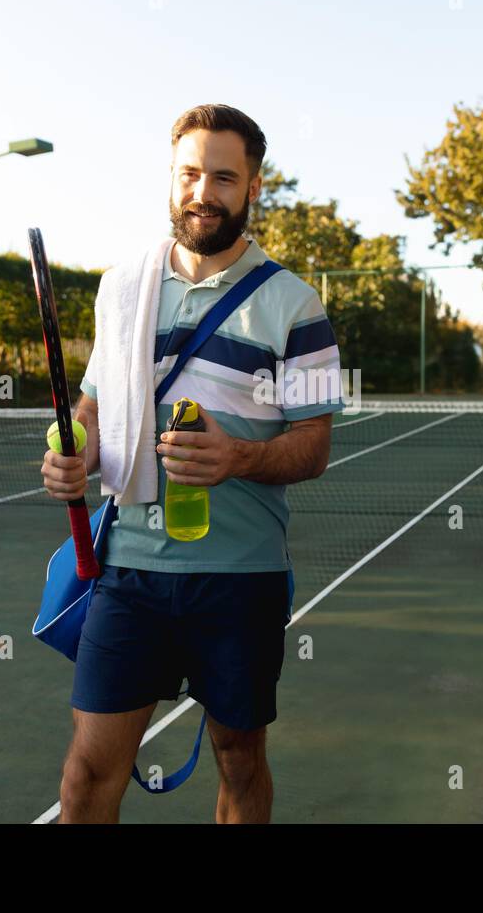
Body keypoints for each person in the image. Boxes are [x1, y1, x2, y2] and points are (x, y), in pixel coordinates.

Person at [42, 103, 341, 823]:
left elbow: (314, 447)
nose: (201, 192)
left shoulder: (295, 305)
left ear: (254, 186)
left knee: (239, 759)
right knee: (87, 774)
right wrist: (72, 454)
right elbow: (91, 407)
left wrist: (237, 455)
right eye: (188, 173)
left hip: (239, 577)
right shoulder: (122, 288)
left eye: (222, 177)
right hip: (130, 573)